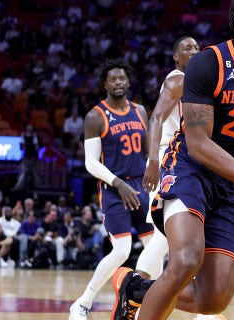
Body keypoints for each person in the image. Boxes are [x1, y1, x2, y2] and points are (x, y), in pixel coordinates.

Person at [112, 1, 234, 319]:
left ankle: (138, 290)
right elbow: (199, 143)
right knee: (186, 260)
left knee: (214, 299)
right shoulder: (210, 63)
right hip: (191, 168)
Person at [69, 59, 155, 320]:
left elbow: (148, 151)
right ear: (105, 84)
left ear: (128, 82)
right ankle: (83, 302)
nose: (118, 82)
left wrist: (155, 173)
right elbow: (91, 162)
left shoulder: (139, 110)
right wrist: (119, 184)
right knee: (121, 250)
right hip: (114, 189)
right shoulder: (95, 116)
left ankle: (143, 305)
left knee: (154, 247)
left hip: (141, 185)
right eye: (113, 79)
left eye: (122, 78)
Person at [134, 35, 200, 281]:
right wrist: (153, 161)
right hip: (168, 158)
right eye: (186, 48)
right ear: (176, 57)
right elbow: (156, 119)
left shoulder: (194, 82)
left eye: (196, 47)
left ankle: (144, 304)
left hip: (184, 158)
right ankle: (132, 294)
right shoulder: (177, 78)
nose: (193, 51)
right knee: (164, 235)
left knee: (170, 235)